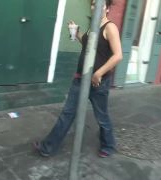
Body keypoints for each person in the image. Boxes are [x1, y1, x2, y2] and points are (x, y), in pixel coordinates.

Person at [34, 0, 122, 158]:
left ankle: (109, 145)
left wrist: (99, 73)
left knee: (101, 116)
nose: (95, 7)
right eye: (93, 4)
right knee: (67, 113)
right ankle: (47, 147)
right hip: (81, 79)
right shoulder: (93, 26)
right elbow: (89, 45)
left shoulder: (110, 27)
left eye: (99, 4)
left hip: (97, 82)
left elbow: (118, 56)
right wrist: (77, 33)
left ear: (107, 9)